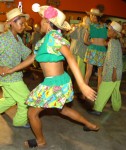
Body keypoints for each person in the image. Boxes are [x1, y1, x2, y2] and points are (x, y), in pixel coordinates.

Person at [4, 4, 99, 148]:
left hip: (54, 84)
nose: (40, 21)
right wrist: (11, 70)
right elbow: (31, 58)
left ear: (48, 23)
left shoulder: (54, 37)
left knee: (32, 113)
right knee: (63, 110)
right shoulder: (44, 41)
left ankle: (40, 140)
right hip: (58, 81)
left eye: (42, 19)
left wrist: (82, 85)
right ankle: (90, 124)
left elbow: (71, 58)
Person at [0, 8, 32, 128]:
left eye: (24, 24)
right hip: (9, 77)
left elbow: (27, 55)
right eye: (21, 23)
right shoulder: (3, 39)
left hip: (15, 75)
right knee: (26, 99)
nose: (23, 26)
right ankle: (20, 122)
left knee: (10, 100)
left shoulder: (18, 39)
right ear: (12, 23)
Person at [89, 21, 123, 115]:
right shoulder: (116, 42)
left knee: (103, 90)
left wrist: (113, 72)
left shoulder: (112, 42)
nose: (107, 31)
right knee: (115, 90)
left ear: (115, 33)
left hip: (112, 71)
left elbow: (113, 59)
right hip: (118, 71)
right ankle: (116, 106)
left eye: (110, 30)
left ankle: (97, 109)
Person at [83, 8, 108, 98]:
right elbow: (109, 40)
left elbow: (85, 41)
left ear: (94, 16)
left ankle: (84, 94)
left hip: (92, 50)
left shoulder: (89, 27)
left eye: (91, 15)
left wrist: (91, 43)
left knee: (88, 72)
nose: (90, 17)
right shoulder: (105, 26)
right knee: (100, 74)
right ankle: (99, 95)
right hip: (102, 50)